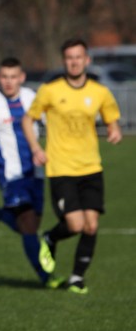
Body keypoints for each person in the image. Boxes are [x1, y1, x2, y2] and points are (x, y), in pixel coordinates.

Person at [21, 38, 122, 294]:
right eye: (69, 58)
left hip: (91, 168)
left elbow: (112, 120)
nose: (74, 62)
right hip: (61, 168)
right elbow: (27, 120)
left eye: (78, 57)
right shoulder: (50, 90)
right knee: (75, 225)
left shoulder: (100, 92)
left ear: (87, 60)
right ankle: (50, 238)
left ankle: (76, 277)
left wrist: (114, 131)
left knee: (92, 225)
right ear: (64, 61)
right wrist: (36, 148)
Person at [0, 57, 63, 288]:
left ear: (22, 77)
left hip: (36, 172)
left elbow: (54, 126)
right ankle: (46, 277)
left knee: (29, 225)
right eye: (4, 77)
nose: (9, 82)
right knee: (28, 226)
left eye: (13, 77)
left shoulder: (32, 98)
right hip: (11, 175)